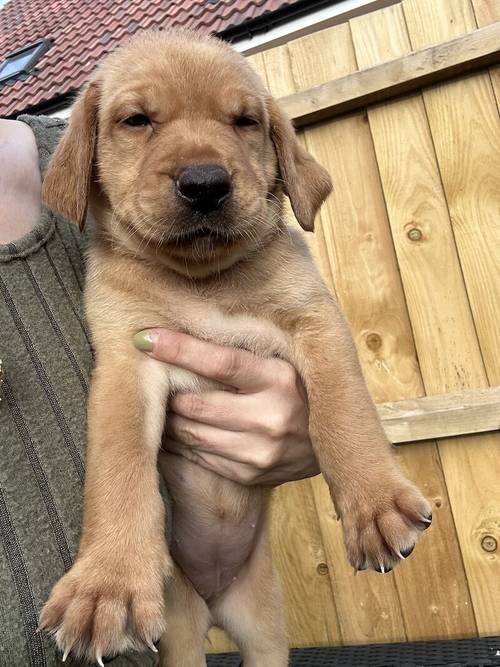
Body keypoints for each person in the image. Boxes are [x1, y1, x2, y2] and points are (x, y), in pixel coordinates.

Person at [0, 114, 318, 666]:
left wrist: (315, 428)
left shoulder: (95, 146)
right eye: (142, 121)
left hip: (207, 583)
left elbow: (296, 338)